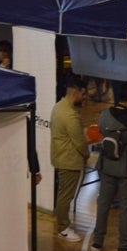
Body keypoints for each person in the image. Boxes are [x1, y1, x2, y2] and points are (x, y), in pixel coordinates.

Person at [90, 82, 127, 251]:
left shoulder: (104, 115)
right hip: (126, 169)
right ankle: (124, 246)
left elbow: (101, 132)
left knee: (103, 204)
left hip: (106, 165)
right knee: (126, 207)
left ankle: (97, 242)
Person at [51, 76, 89, 241]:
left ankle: (62, 223)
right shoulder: (70, 115)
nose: (85, 97)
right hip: (69, 160)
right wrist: (87, 154)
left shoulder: (58, 107)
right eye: (83, 94)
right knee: (66, 196)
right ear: (75, 92)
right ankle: (63, 228)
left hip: (60, 157)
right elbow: (79, 142)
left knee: (63, 194)